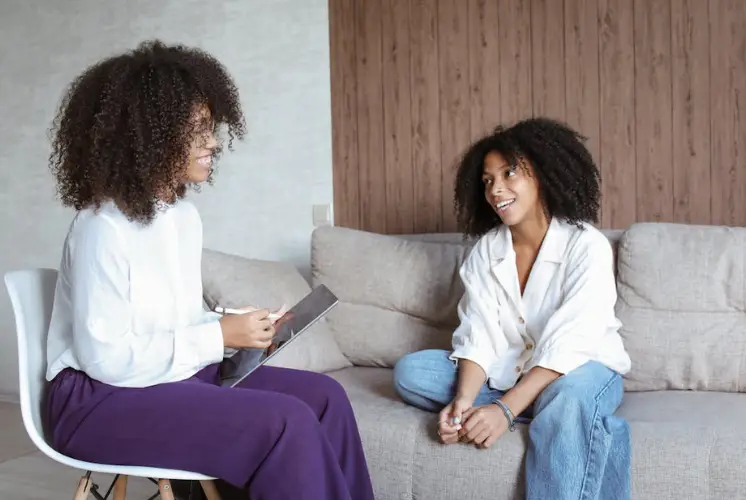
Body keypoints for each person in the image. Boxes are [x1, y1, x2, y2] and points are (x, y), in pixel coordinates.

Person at [44, 40, 374, 500]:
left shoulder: (181, 218)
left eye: (211, 128)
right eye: (198, 130)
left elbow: (170, 325)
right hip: (96, 401)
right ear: (149, 135)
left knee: (325, 399)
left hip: (164, 378)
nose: (214, 143)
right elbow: (107, 360)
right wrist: (219, 337)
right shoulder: (101, 228)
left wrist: (234, 325)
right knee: (286, 422)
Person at [393, 117, 632, 499]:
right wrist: (464, 403)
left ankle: (560, 413)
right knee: (413, 372)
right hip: (509, 373)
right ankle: (564, 419)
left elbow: (570, 343)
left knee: (568, 397)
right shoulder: (487, 251)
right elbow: (479, 333)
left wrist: (503, 412)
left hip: (582, 369)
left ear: (542, 174)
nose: (496, 189)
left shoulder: (585, 245)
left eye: (509, 174)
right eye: (488, 180)